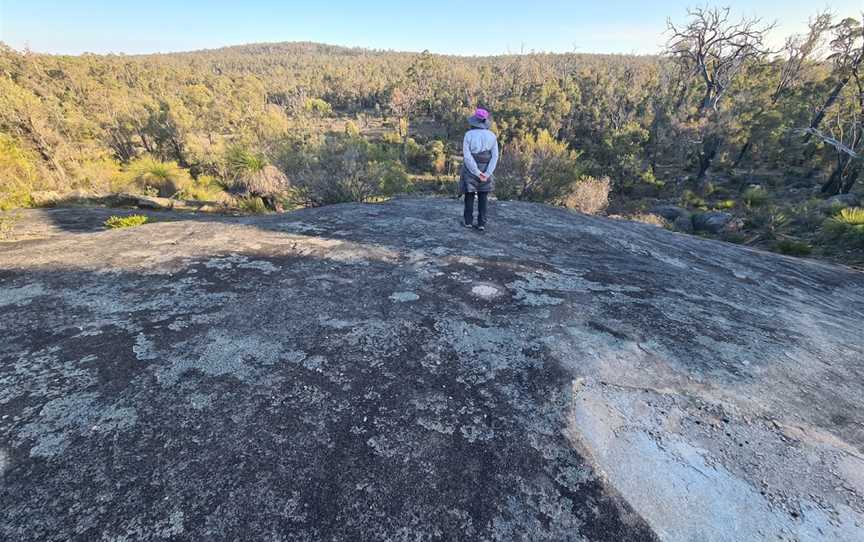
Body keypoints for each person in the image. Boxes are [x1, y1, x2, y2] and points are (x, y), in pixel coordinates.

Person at [459, 108, 499, 231]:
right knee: (483, 197)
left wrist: (476, 171)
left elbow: (467, 156)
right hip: (486, 168)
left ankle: (468, 222)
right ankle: (481, 223)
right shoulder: (492, 136)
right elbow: (495, 156)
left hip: (471, 169)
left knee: (469, 195)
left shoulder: (469, 135)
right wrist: (487, 173)